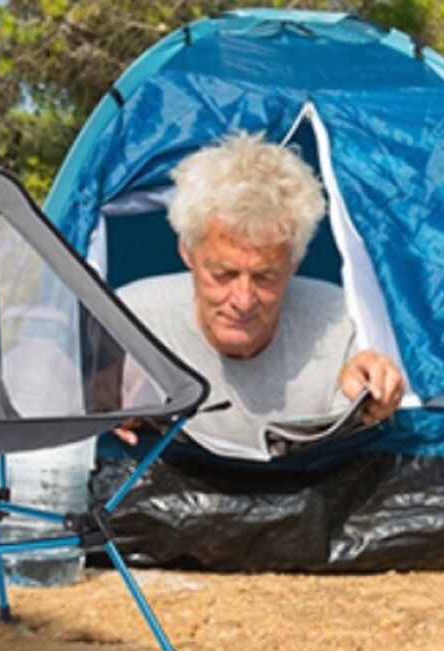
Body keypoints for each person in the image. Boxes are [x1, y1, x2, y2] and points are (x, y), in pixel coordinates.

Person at [114, 131, 404, 452]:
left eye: (265, 277)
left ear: (294, 264)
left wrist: (373, 403)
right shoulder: (127, 323)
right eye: (223, 274)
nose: (243, 300)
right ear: (188, 253)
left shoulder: (343, 327)